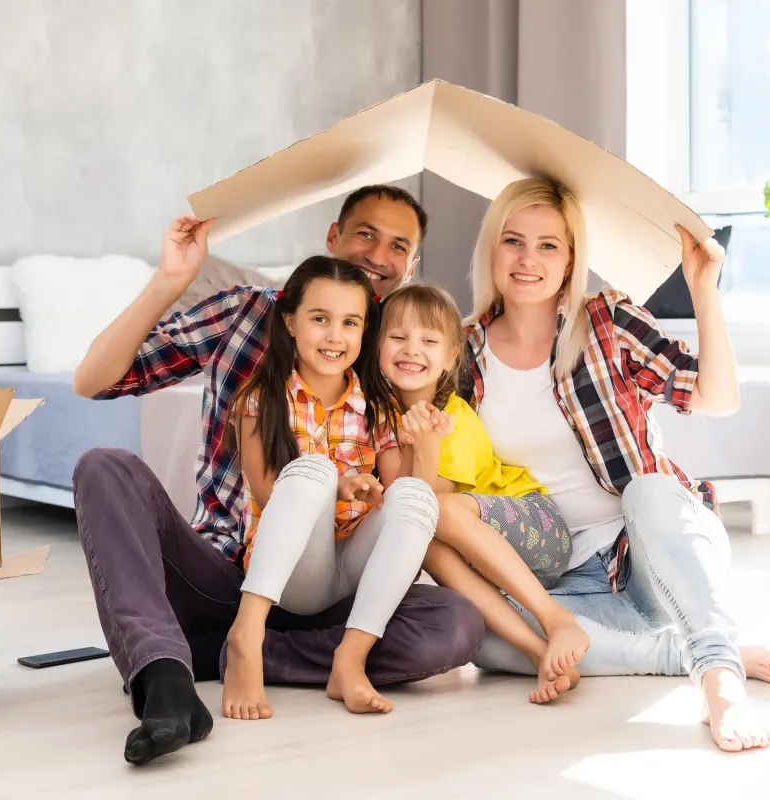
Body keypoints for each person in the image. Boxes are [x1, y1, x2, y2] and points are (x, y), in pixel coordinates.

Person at [71, 185, 484, 766]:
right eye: (365, 233)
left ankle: (229, 653)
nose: (377, 253)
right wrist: (168, 280)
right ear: (333, 237)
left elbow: (410, 486)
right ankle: (165, 679)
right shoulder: (247, 316)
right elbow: (93, 380)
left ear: (409, 266)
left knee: (457, 623)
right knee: (105, 468)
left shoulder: (394, 353)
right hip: (227, 564)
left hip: (338, 583)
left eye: (398, 245)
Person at [462, 178, 770, 752]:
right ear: (492, 250)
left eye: (548, 245)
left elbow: (717, 398)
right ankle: (676, 654)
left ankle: (718, 674)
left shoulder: (606, 322)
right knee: (478, 631)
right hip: (563, 579)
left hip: (651, 551)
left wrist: (704, 290)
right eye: (513, 241)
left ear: (571, 259)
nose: (528, 259)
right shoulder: (463, 354)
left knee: (647, 491)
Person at [222, 256, 439, 719]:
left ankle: (350, 658)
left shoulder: (377, 405)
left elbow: (403, 504)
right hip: (296, 575)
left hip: (354, 569)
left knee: (417, 495)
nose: (335, 336)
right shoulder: (260, 398)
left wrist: (422, 447)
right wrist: (338, 486)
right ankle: (247, 634)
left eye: (350, 322)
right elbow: (266, 493)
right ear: (291, 323)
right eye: (320, 319)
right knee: (316, 471)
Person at [375, 284, 590, 704]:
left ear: (451, 356)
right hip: (481, 553)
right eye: (398, 338)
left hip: (539, 530)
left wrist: (426, 444)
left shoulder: (454, 418)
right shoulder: (384, 419)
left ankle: (555, 618)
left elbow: (428, 503)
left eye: (429, 341)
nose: (411, 350)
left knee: (437, 515)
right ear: (379, 346)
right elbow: (401, 507)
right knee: (428, 549)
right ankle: (537, 654)